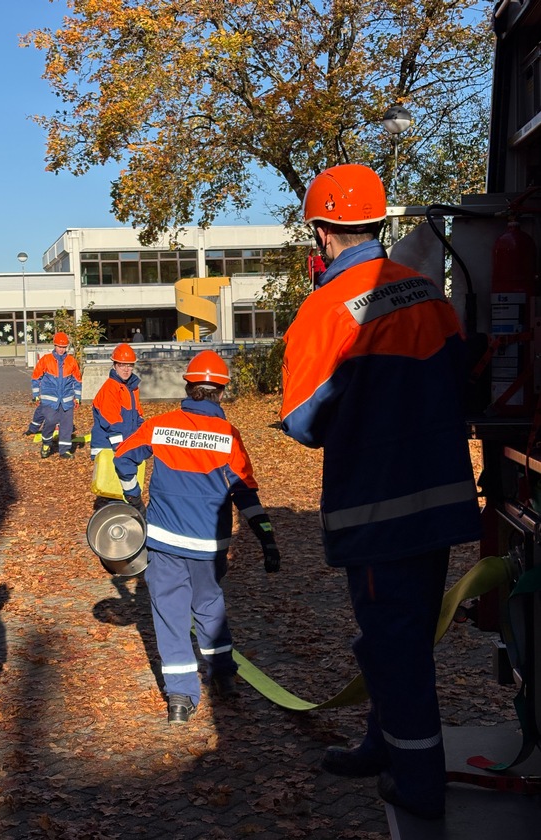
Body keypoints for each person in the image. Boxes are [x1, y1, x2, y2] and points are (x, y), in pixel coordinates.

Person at [280, 164, 482, 820]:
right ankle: (382, 741)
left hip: (377, 508)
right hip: (439, 500)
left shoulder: (324, 311)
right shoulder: (426, 292)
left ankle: (418, 781)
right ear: (376, 222)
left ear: (321, 231)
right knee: (401, 634)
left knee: (392, 642)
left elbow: (305, 423)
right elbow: (463, 379)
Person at [113, 350, 281, 724]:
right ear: (220, 391)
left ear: (188, 386)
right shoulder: (228, 436)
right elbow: (245, 494)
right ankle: (223, 677)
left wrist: (132, 498)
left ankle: (180, 699)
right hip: (209, 545)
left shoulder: (160, 426)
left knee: (170, 615)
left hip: (163, 542)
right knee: (209, 606)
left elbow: (122, 459)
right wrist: (266, 538)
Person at [90, 343, 144, 507]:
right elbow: (111, 421)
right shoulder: (111, 388)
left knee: (118, 487)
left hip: (121, 445)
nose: (126, 369)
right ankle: (118, 510)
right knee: (114, 486)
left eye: (129, 365)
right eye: (122, 365)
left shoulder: (131, 388)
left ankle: (117, 509)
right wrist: (121, 447)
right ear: (114, 365)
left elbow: (138, 415)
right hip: (108, 446)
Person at [30, 332, 82, 460]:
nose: (61, 349)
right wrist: (36, 394)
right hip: (49, 399)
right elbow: (36, 377)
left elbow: (77, 380)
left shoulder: (71, 361)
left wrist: (78, 397)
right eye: (59, 346)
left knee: (67, 425)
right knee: (51, 421)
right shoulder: (46, 360)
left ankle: (64, 450)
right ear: (54, 345)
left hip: (66, 400)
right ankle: (46, 443)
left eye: (64, 347)